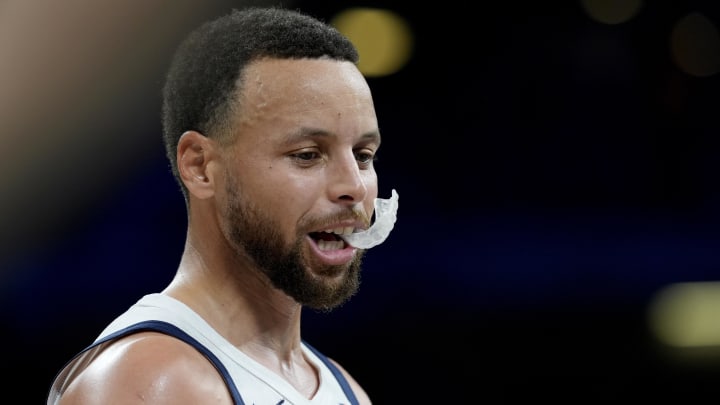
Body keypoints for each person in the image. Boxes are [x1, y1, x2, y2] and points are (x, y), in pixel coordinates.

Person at [47, 5, 399, 404]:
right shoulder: (151, 383)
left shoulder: (345, 390)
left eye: (364, 154)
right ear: (199, 166)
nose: (354, 186)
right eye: (307, 154)